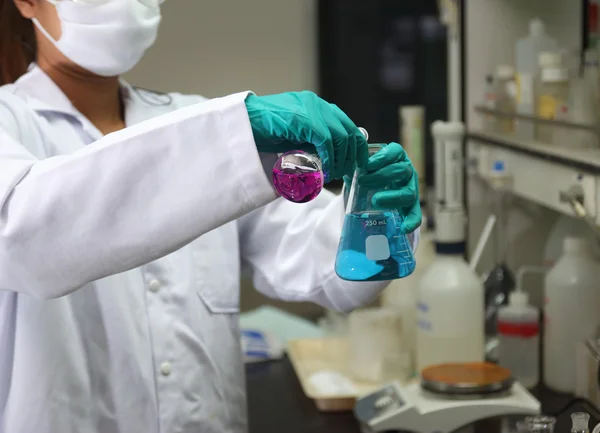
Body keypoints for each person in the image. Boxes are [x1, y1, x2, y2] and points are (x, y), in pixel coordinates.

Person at [0, 0, 421, 432]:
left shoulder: (190, 121)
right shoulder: (10, 125)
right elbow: (23, 234)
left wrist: (370, 214)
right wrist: (236, 135)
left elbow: (313, 259)